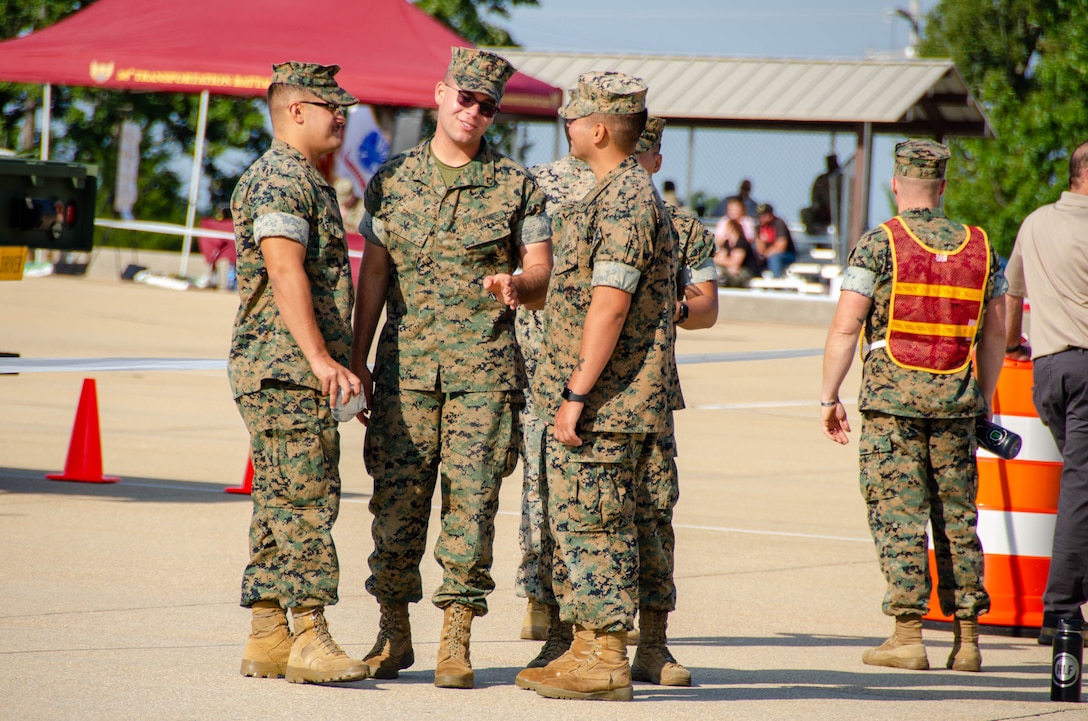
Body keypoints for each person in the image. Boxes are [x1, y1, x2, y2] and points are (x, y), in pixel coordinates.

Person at [350, 46, 552, 690]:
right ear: (440, 94)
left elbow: (542, 271)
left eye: (487, 106)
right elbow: (374, 275)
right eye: (466, 98)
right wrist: (357, 359)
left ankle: (455, 641)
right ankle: (392, 631)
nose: (474, 112)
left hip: (483, 378)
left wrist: (520, 285)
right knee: (396, 505)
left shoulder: (518, 186)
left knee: (472, 507)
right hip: (404, 374)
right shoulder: (392, 180)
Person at [820, 139, 1007, 673]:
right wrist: (982, 400)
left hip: (892, 405)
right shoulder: (982, 248)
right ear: (942, 187)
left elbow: (846, 326)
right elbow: (996, 333)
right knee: (957, 519)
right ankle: (967, 641)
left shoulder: (879, 244)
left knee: (899, 516)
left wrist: (829, 395)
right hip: (957, 405)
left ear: (896, 184)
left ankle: (907, 636)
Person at [518, 71, 674, 703]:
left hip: (608, 403)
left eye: (575, 117)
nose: (568, 125)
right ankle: (585, 646)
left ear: (601, 129)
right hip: (596, 398)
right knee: (581, 522)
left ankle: (605, 656)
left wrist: (576, 393)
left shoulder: (625, 199)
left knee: (598, 525)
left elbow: (609, 304)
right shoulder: (610, 192)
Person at [228, 61, 369, 685]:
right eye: (330, 106)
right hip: (286, 369)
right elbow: (284, 270)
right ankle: (309, 634)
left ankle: (268, 631)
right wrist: (319, 359)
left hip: (285, 368)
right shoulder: (282, 178)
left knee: (279, 499)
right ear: (294, 111)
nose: (341, 116)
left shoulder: (306, 179)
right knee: (308, 501)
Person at [630, 115, 717, 686]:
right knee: (580, 518)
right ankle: (576, 639)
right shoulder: (576, 212)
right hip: (581, 392)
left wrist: (672, 308)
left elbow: (707, 307)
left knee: (653, 517)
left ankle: (653, 644)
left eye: (641, 155)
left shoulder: (683, 229)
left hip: (650, 394)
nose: (630, 164)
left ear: (657, 161)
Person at [1003, 139, 1088, 645]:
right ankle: (1060, 611)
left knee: (1082, 486)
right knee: (1081, 490)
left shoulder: (1035, 222)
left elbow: (1011, 292)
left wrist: (1013, 344)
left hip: (1049, 369)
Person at [515, 131, 597, 646]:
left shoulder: (533, 181)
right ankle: (567, 603)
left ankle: (544, 601)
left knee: (540, 480)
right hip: (574, 354)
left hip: (545, 350)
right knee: (583, 485)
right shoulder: (625, 189)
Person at [801, 153, 841, 236]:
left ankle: (840, 234)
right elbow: (814, 196)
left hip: (839, 212)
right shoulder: (821, 179)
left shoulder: (843, 179)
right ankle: (814, 234)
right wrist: (819, 207)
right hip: (822, 211)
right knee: (805, 212)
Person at [755, 202, 797, 278]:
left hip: (787, 254)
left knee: (774, 257)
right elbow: (760, 248)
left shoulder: (779, 223)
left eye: (764, 215)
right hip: (768, 255)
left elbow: (780, 247)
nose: (761, 218)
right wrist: (762, 255)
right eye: (760, 216)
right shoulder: (758, 227)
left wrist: (766, 254)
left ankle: (776, 279)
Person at [713, 217, 757, 287]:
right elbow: (721, 258)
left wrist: (723, 261)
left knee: (730, 277)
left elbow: (736, 262)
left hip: (745, 270)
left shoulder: (741, 243)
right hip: (730, 269)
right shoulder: (726, 242)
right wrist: (728, 263)